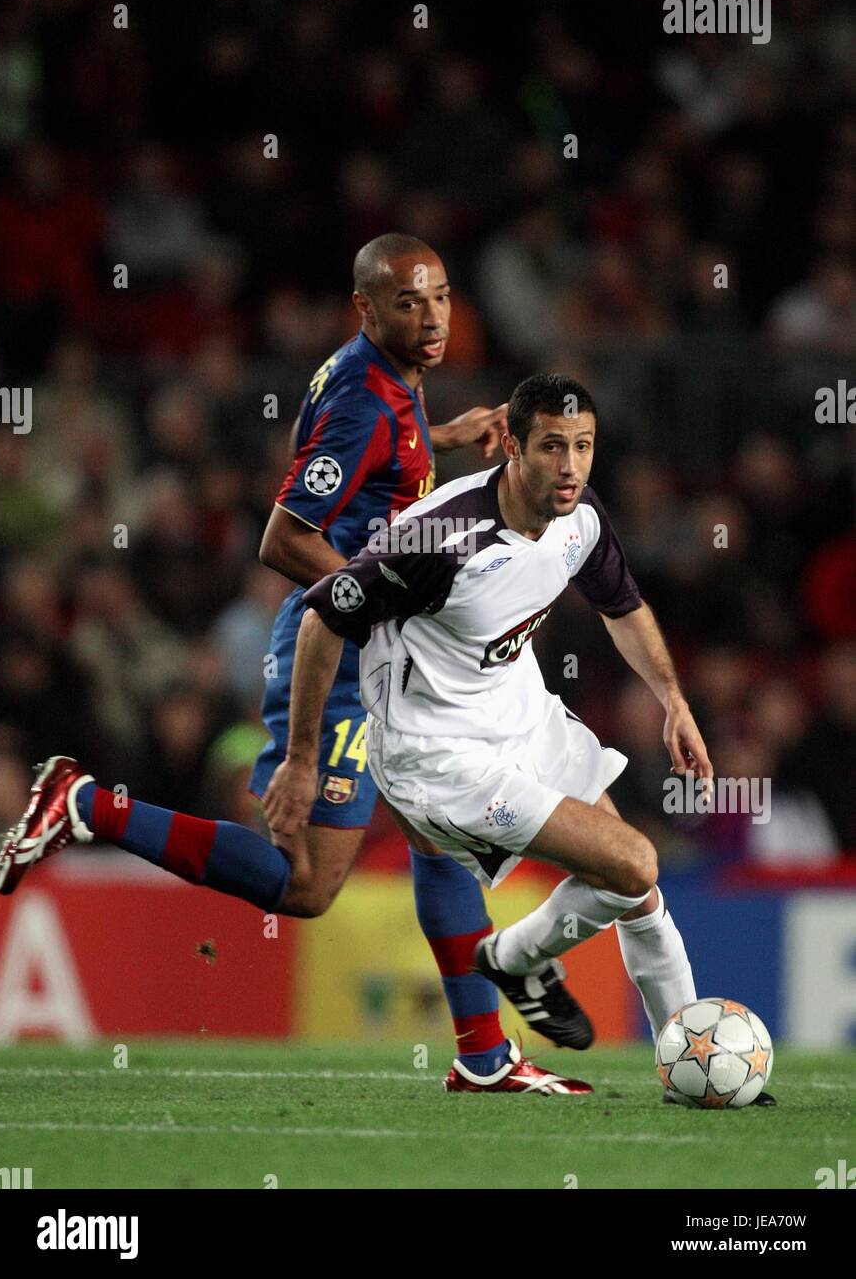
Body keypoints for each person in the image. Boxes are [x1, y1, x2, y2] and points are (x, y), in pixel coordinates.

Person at [0, 238, 594, 1095]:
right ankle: (86, 805)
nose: (431, 320)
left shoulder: (386, 385)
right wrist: (382, 606)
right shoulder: (360, 397)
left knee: (445, 840)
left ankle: (484, 1057)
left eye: (441, 298)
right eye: (409, 304)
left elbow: (381, 474)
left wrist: (446, 436)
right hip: (342, 651)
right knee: (308, 885)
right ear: (366, 309)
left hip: (386, 653)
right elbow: (286, 538)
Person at [264, 372, 776, 1104]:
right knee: (634, 862)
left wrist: (672, 699)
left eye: (582, 447)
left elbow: (621, 605)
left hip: (520, 714)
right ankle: (509, 956)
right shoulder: (439, 535)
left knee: (635, 890)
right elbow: (322, 617)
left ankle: (688, 1073)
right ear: (509, 444)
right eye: (550, 448)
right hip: (438, 756)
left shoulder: (580, 515)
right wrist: (303, 758)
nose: (569, 467)